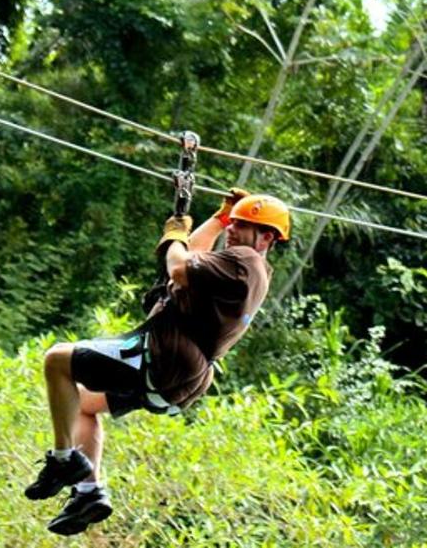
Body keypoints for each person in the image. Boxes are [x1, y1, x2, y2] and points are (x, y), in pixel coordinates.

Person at [24, 188, 291, 535]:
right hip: (178, 380)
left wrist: (174, 234)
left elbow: (179, 266)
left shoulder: (245, 260)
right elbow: (194, 255)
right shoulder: (246, 270)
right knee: (82, 404)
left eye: (242, 225)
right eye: (234, 224)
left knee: (57, 359)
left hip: (164, 354)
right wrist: (219, 218)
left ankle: (63, 460)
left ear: (267, 236)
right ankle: (89, 492)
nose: (233, 230)